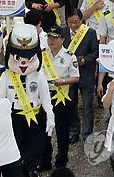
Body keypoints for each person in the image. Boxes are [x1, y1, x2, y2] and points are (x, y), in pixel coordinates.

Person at [0, 24, 55, 177]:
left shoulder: (39, 76)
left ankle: (31, 169)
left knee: (35, 150)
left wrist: (50, 115)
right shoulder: (6, 76)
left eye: (28, 58)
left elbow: (46, 98)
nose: (23, 63)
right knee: (14, 151)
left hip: (35, 117)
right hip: (13, 118)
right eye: (18, 58)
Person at [40, 26, 80, 170]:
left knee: (62, 131)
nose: (51, 40)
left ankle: (61, 162)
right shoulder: (42, 54)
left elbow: (75, 77)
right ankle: (45, 161)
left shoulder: (70, 56)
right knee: (45, 130)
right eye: (49, 37)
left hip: (61, 96)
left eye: (55, 38)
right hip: (44, 96)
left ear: (62, 39)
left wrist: (62, 81)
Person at [62, 9, 99, 143]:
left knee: (87, 105)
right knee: (71, 104)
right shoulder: (63, 32)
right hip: (69, 74)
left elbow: (95, 52)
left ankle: (88, 133)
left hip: (86, 73)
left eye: (76, 22)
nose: (73, 25)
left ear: (81, 21)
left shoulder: (90, 33)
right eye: (70, 22)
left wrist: (84, 60)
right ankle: (74, 131)